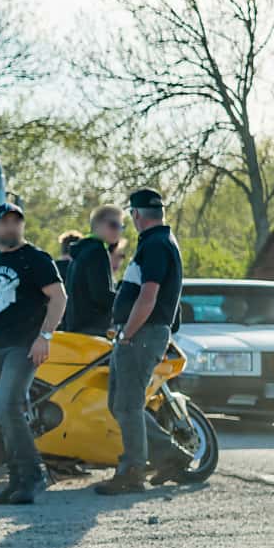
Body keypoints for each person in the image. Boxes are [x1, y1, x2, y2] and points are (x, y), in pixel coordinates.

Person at [0, 202, 67, 505]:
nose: (11, 227)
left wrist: (45, 336)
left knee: (8, 406)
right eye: (4, 222)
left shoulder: (37, 259)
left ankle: (34, 474)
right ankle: (15, 481)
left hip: (25, 345)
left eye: (16, 221)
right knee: (2, 413)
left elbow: (58, 298)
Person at [98, 188, 185, 495]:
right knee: (120, 404)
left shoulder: (157, 245)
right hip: (140, 334)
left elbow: (149, 297)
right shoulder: (155, 242)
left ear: (136, 214)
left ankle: (133, 472)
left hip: (142, 335)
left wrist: (127, 333)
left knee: (128, 406)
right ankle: (170, 455)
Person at [62, 205, 122, 337]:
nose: (118, 230)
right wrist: (126, 301)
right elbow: (100, 295)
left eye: (121, 227)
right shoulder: (97, 251)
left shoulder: (81, 251)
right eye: (113, 225)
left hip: (75, 328)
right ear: (97, 224)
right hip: (93, 330)